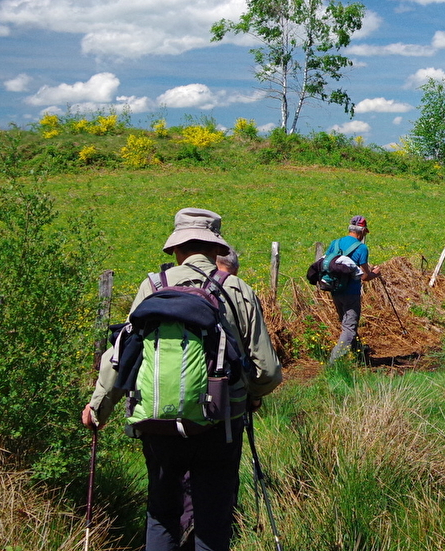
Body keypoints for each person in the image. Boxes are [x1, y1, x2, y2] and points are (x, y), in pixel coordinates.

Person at [83, 208, 281, 551]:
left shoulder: (152, 286)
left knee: (162, 510)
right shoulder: (236, 288)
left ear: (175, 248)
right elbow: (267, 370)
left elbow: (121, 355)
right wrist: (253, 394)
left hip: (155, 421)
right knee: (214, 515)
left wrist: (98, 406)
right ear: (214, 248)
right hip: (220, 423)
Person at [326, 215, 380, 363]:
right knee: (349, 327)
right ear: (361, 231)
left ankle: (359, 354)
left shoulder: (335, 243)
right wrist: (375, 273)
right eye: (364, 232)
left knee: (347, 323)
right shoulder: (361, 248)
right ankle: (334, 363)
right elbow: (364, 276)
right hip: (351, 292)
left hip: (335, 290)